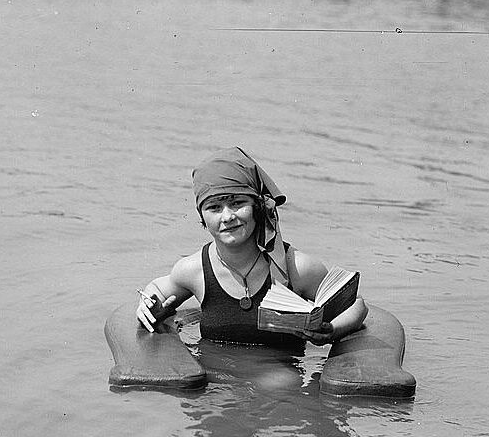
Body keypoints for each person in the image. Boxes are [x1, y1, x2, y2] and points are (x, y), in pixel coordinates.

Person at [136, 147, 368, 346]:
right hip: (214, 392)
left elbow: (356, 305)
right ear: (202, 217)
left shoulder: (297, 267)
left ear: (257, 207)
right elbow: (159, 287)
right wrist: (148, 305)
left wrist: (331, 331)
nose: (227, 217)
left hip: (280, 390)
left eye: (237, 203)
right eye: (214, 208)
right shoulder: (194, 270)